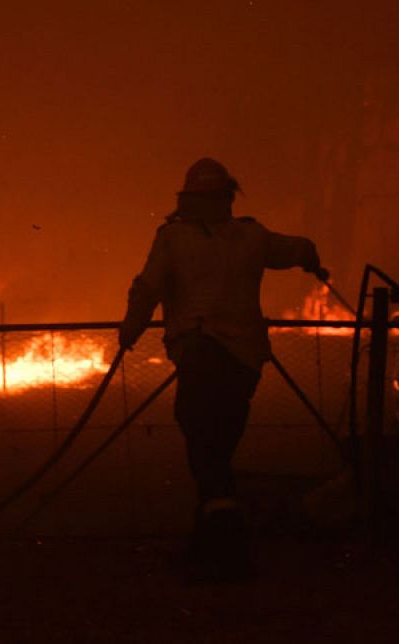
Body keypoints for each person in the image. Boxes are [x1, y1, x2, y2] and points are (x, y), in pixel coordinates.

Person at [118, 157, 323, 581]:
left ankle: (227, 547)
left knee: (202, 442)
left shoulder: (172, 238)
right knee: (217, 445)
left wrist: (129, 332)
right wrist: (312, 259)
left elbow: (148, 287)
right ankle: (209, 542)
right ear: (227, 198)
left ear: (189, 200)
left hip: (200, 353)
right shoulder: (252, 236)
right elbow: (295, 248)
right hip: (244, 360)